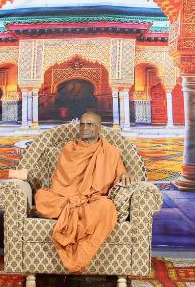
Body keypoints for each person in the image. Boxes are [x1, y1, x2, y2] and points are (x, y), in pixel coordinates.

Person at [34, 110, 132, 273]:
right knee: (41, 196)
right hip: (66, 197)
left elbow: (120, 173)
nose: (84, 128)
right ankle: (72, 211)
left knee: (106, 207)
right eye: (82, 124)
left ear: (99, 128)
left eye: (90, 124)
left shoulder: (111, 151)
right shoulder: (69, 148)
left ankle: (78, 258)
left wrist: (126, 173)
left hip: (92, 201)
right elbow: (61, 180)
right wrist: (74, 199)